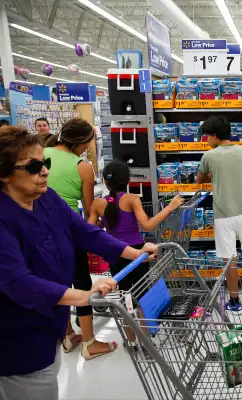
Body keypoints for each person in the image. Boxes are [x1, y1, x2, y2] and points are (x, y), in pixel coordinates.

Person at [0, 126, 158, 400]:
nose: (45, 171)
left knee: (49, 377)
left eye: (45, 163)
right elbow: (17, 282)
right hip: (17, 337)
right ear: (4, 174)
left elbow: (83, 231)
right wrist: (82, 296)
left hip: (49, 323)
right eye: (34, 166)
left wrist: (133, 251)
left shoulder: (45, 198)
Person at [88, 160, 184, 344]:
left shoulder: (97, 203)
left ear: (105, 182)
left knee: (124, 297)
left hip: (114, 254)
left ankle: (130, 340)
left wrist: (103, 224)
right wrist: (170, 207)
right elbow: (147, 225)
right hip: (138, 255)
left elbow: (89, 230)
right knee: (141, 295)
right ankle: (146, 339)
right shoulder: (132, 199)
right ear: (127, 180)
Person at [44, 118, 110, 360]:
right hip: (68, 230)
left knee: (56, 283)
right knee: (81, 281)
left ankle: (68, 335)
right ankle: (90, 342)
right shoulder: (82, 166)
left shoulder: (41, 153)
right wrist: (96, 228)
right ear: (81, 142)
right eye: (87, 144)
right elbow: (89, 207)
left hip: (40, 230)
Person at [196, 116, 242, 312]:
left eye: (207, 136)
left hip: (223, 214)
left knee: (229, 259)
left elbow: (200, 179)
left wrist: (216, 173)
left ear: (215, 136)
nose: (206, 140)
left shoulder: (209, 156)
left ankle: (234, 301)